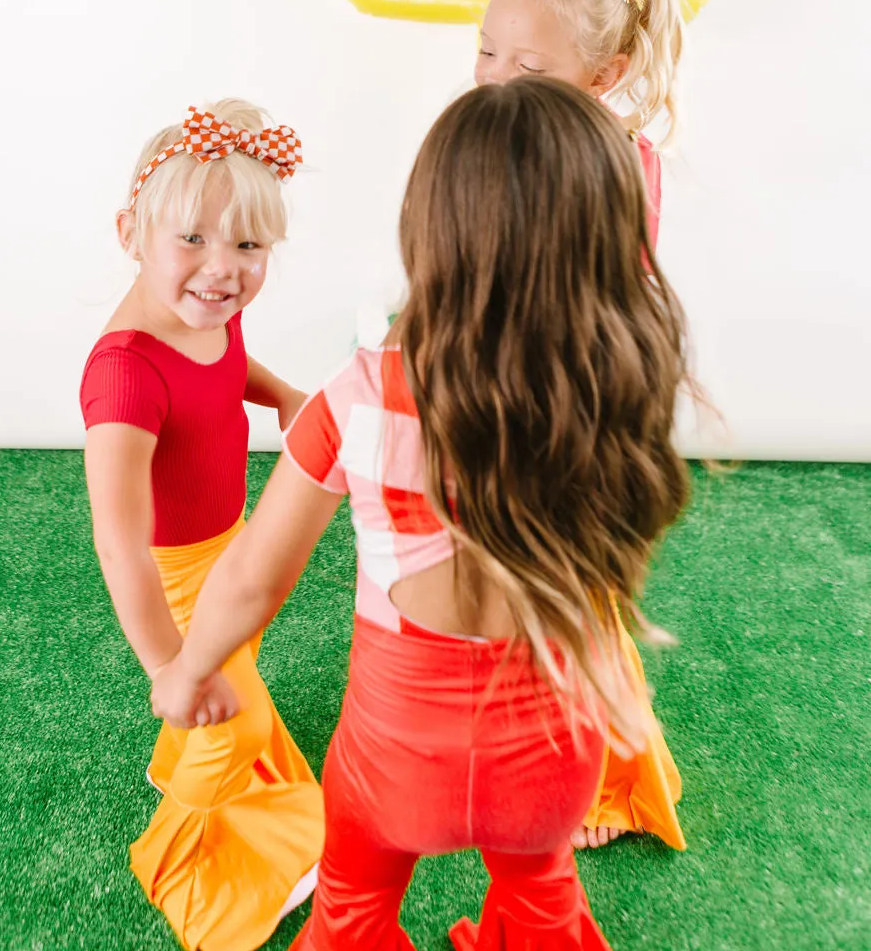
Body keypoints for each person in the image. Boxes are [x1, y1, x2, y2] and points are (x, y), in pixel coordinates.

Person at [150, 78, 691, 948]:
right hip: (557, 768)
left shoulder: (361, 399)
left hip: (394, 767)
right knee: (542, 889)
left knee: (354, 904)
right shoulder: (617, 396)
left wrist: (189, 673)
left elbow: (251, 578)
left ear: (430, 230)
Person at [79, 99, 323, 951]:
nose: (223, 272)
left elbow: (227, 363)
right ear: (130, 232)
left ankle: (185, 753)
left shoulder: (206, 307)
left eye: (248, 247)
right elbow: (119, 540)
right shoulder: (124, 374)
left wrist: (284, 394)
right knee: (238, 720)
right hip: (178, 574)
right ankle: (175, 849)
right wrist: (169, 667)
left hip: (231, 540)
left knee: (243, 659)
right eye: (192, 240)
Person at [475, 0, 688, 848]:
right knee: (505, 580)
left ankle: (602, 778)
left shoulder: (609, 161)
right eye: (485, 50)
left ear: (604, 73)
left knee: (572, 597)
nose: (493, 78)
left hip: (575, 405)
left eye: (526, 66)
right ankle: (515, 733)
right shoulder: (492, 139)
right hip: (507, 393)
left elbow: (592, 302)